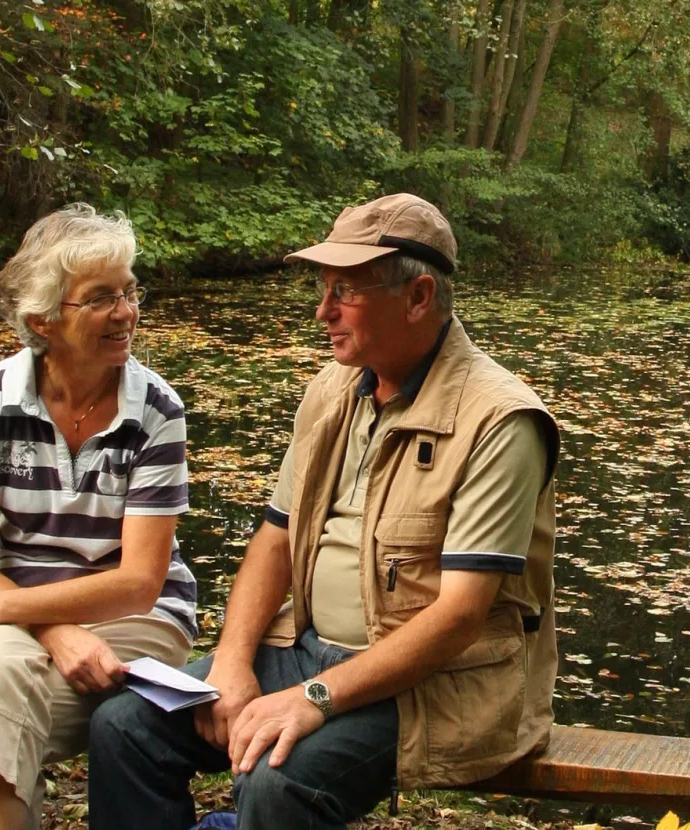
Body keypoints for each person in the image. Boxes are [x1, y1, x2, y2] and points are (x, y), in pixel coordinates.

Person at [88, 193, 560, 830]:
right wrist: (231, 662)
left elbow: (458, 617)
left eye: (347, 291)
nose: (322, 312)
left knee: (276, 782)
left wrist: (313, 699)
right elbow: (274, 541)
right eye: (323, 288)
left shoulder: (499, 421)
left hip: (432, 686)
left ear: (419, 297)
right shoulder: (334, 389)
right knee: (124, 726)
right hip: (306, 649)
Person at [0, 203, 198, 830]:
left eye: (129, 291)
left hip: (136, 625)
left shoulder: (156, 410)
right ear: (42, 320)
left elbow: (139, 582)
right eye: (100, 299)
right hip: (18, 623)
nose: (127, 312)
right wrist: (53, 631)